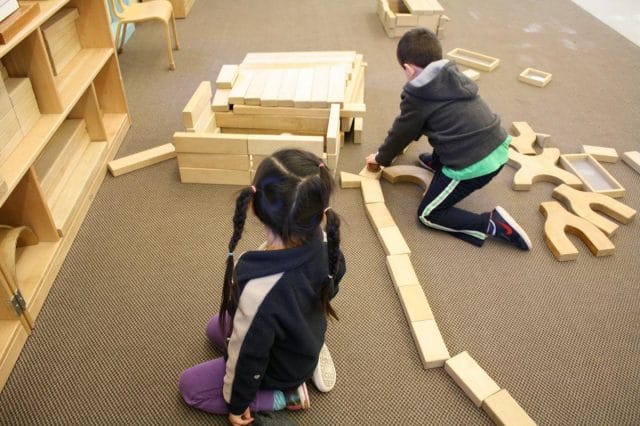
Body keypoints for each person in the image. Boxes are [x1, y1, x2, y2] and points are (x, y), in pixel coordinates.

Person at [179, 149, 346, 425]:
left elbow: (249, 357)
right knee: (215, 327)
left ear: (255, 206)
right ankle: (312, 353)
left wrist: (238, 403)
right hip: (305, 338)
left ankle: (286, 396)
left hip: (280, 369)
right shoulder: (329, 242)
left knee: (189, 387)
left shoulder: (259, 285)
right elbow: (331, 284)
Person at [365, 28, 531, 250]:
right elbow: (437, 123)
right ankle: (438, 163)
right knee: (446, 121)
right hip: (497, 144)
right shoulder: (453, 75)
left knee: (429, 215)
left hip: (473, 165)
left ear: (408, 68)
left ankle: (492, 223)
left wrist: (381, 158)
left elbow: (401, 133)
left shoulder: (417, 96)